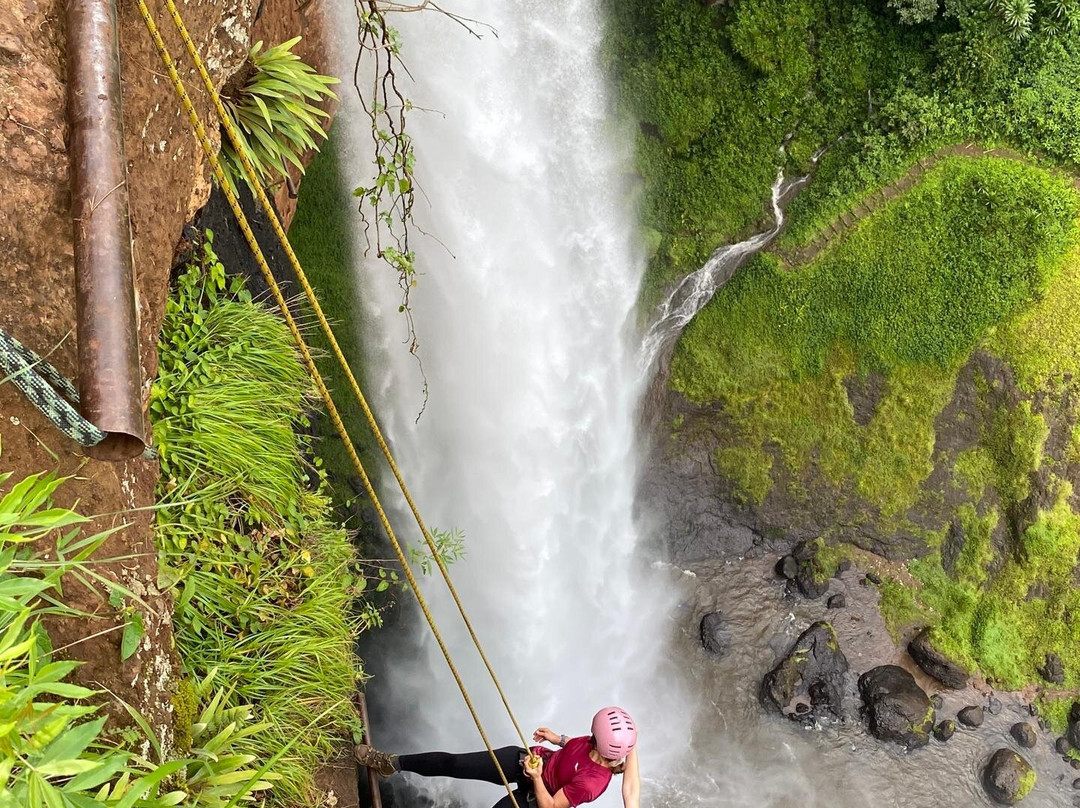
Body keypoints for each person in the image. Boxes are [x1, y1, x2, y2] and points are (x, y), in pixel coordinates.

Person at [355, 706, 640, 808]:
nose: (589, 735)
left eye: (593, 734)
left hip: (538, 798)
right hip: (531, 762)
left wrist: (538, 777)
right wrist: (557, 739)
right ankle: (389, 763)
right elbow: (577, 747)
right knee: (456, 764)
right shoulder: (598, 744)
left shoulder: (591, 783)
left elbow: (551, 805)